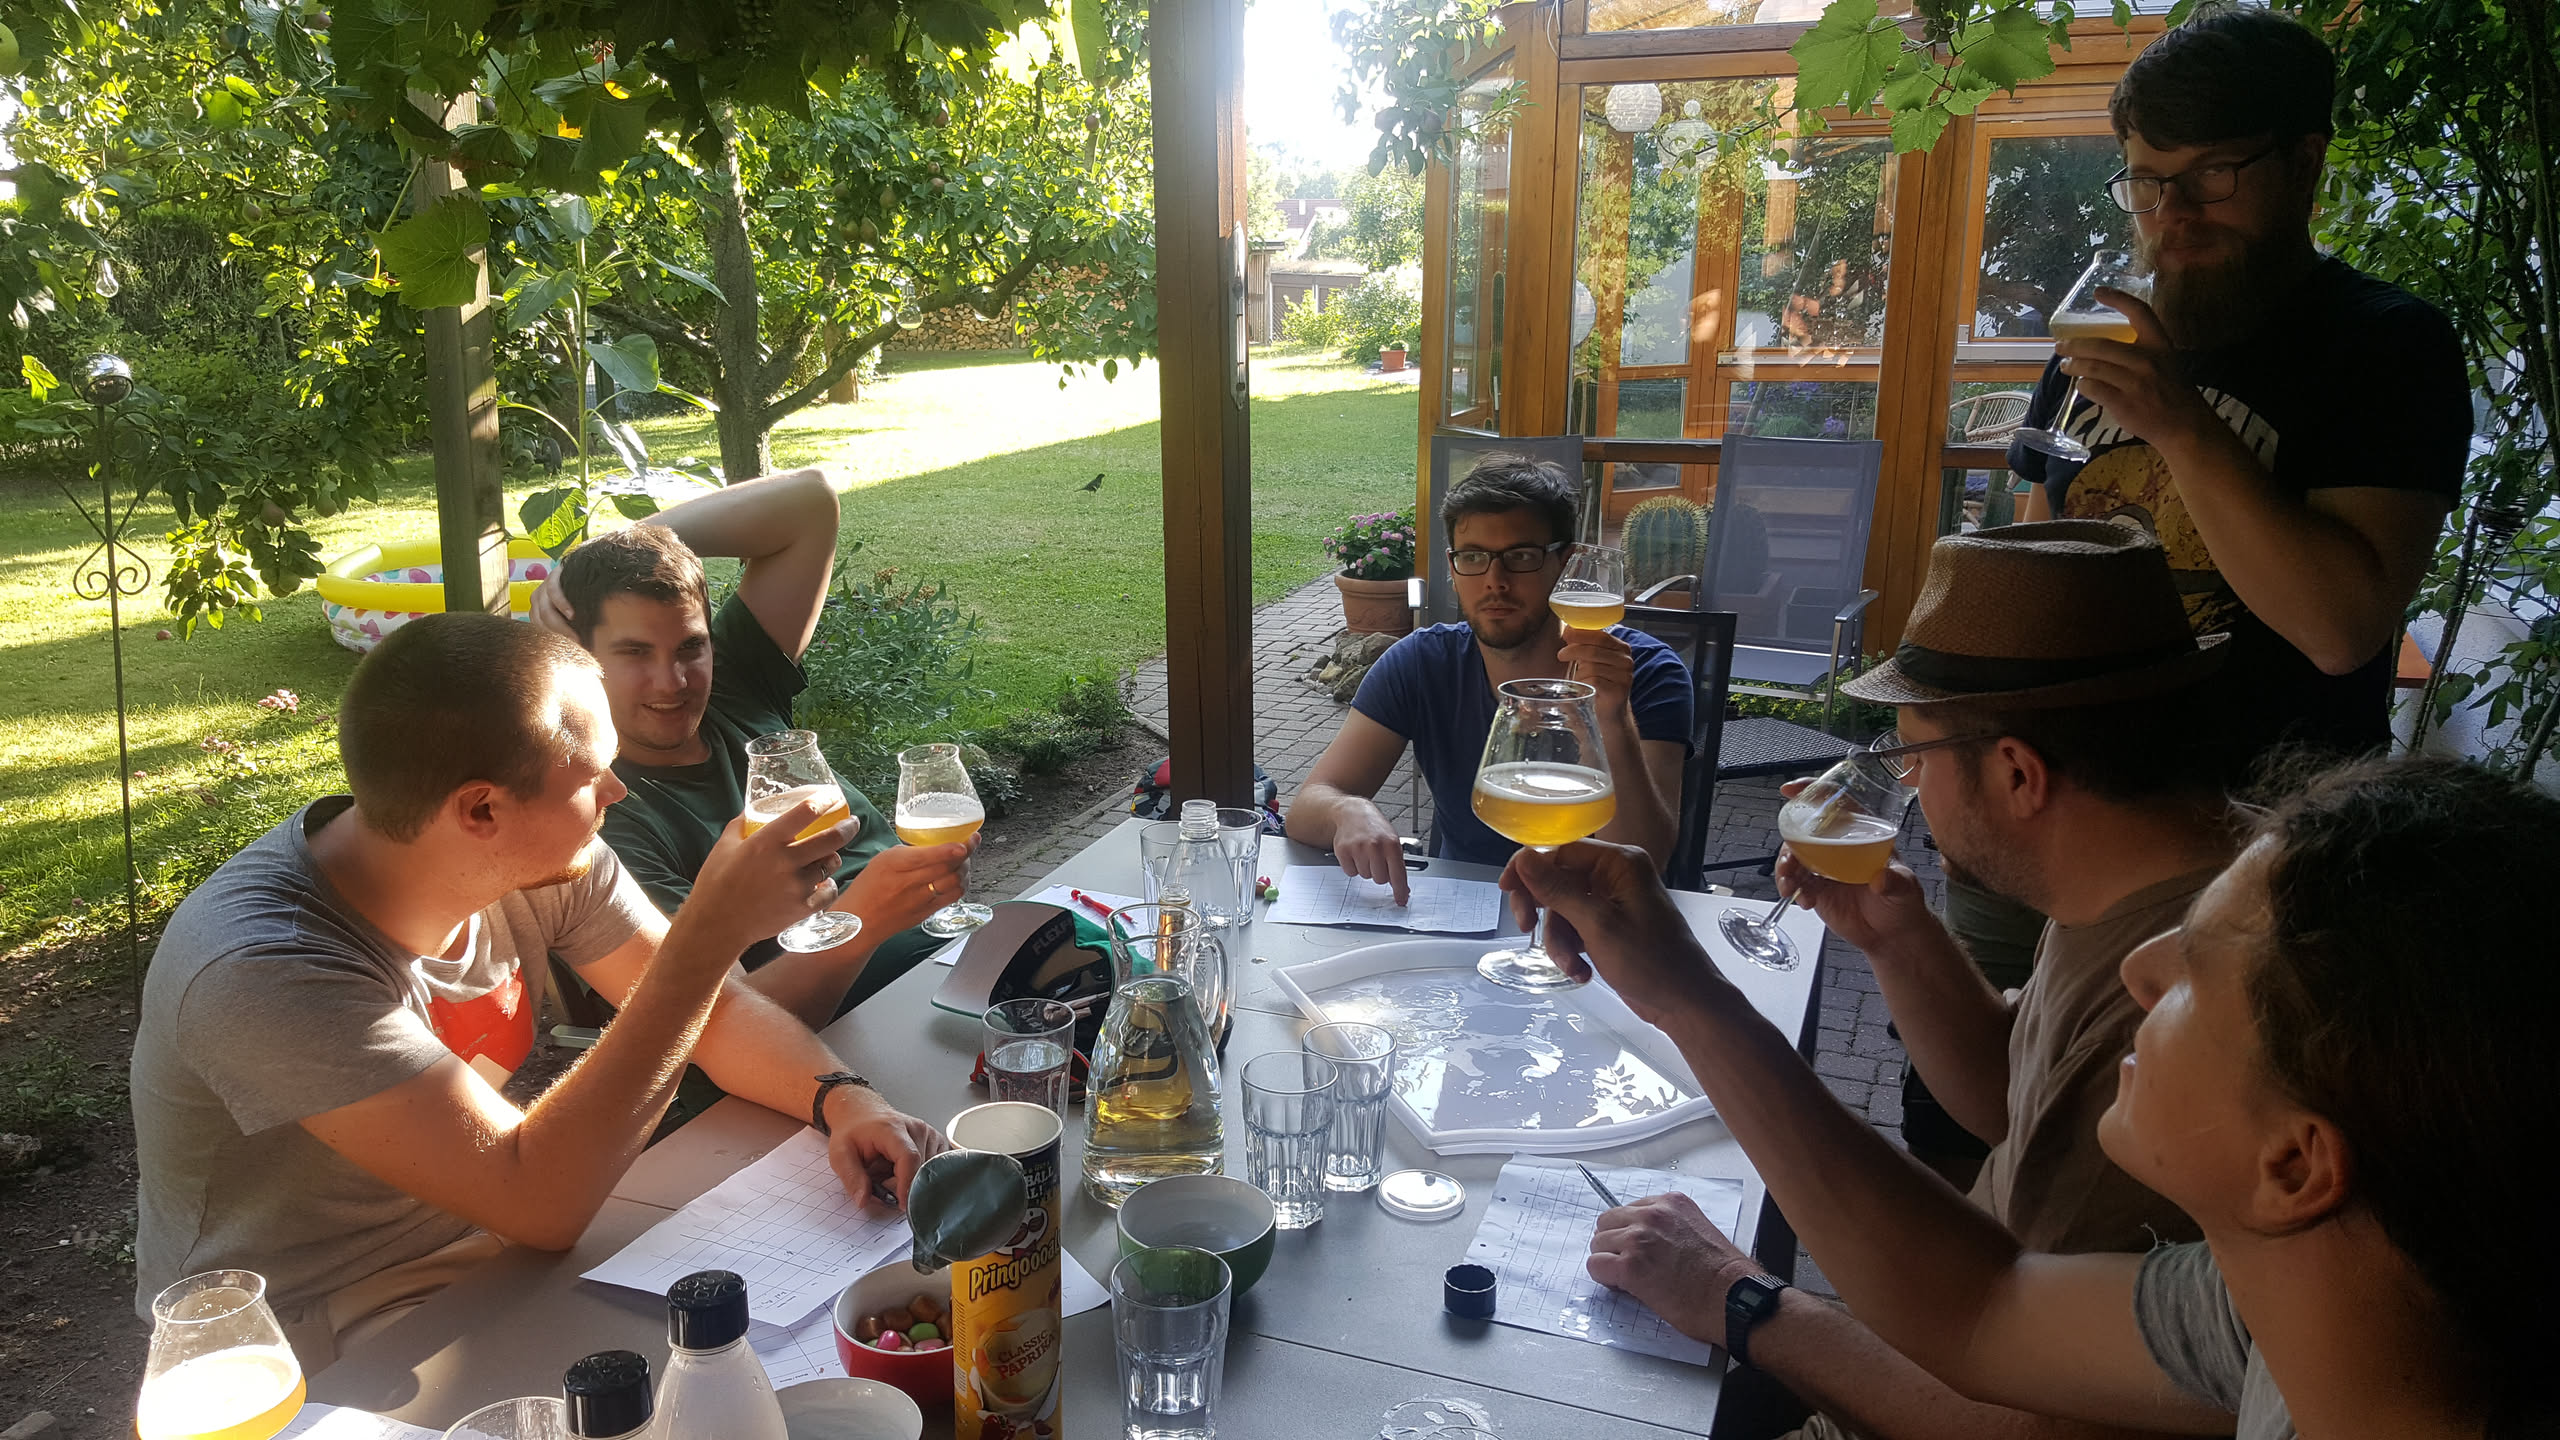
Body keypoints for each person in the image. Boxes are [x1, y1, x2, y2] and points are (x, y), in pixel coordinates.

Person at [1507, 754, 2555, 1440]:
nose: (2137, 970)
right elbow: (1982, 1307)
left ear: (2294, 1164)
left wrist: (1743, 1299)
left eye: (2195, 973)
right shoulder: (2270, 1310)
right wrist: (1689, 997)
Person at [131, 614, 947, 1370]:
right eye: (593, 776)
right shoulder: (266, 970)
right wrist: (708, 935)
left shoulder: (542, 852)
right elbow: (538, 1200)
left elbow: (718, 1014)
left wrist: (844, 1099)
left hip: (495, 1244)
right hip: (308, 1330)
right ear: (481, 809)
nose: (618, 792)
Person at [2012, 8, 2469, 769]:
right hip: (2078, 796)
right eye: (2149, 181)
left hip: (2271, 818)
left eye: (2211, 175)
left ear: (2304, 164)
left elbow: (2339, 633)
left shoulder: (2388, 343)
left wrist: (2181, 426)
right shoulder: (2107, 339)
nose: (2174, 214)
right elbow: (2032, 569)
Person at [534, 468, 972, 1027]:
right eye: (635, 653)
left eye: (691, 647)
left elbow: (808, 502)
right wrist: (868, 918)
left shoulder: (732, 683)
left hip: (959, 965)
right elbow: (712, 1029)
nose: (673, 682)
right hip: (859, 1033)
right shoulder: (604, 814)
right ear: (580, 657)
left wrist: (604, 552)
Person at [1287, 454, 1691, 901]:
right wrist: (1347, 811)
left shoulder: (1644, 673)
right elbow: (1308, 807)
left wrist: (1613, 719)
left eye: (1521, 556)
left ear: (1565, 563)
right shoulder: (1422, 662)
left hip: (1599, 916)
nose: (1495, 581)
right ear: (1452, 568)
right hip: (1462, 913)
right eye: (1474, 557)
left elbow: (1645, 858)